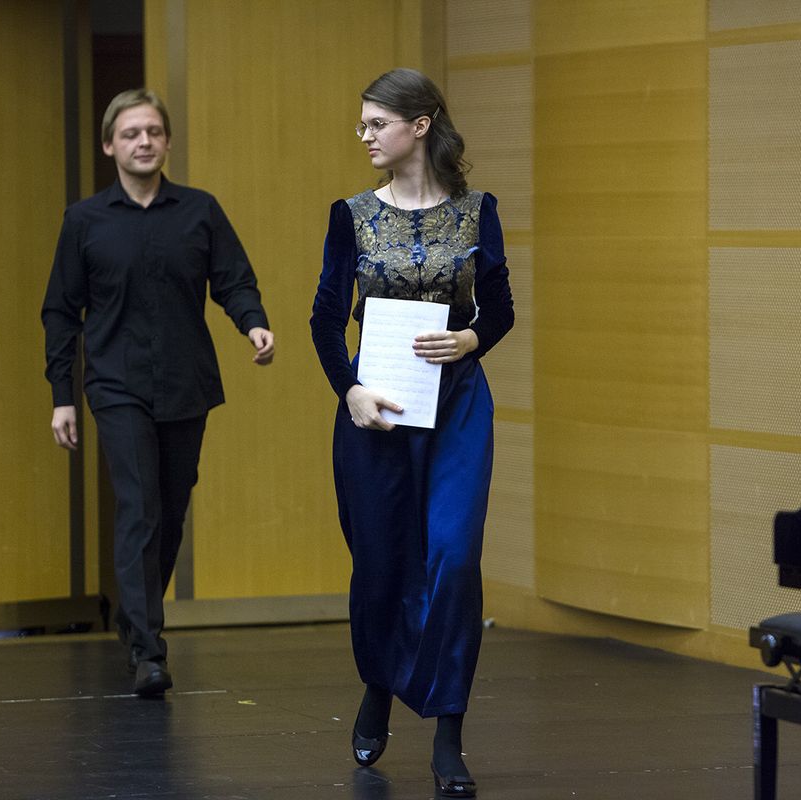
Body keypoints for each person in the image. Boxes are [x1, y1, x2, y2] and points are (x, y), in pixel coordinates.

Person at [310, 68, 513, 798]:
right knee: (382, 561)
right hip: (378, 407)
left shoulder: (478, 211)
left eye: (376, 123)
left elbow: (501, 308)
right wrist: (351, 390)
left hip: (456, 404)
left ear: (419, 125)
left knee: (453, 558)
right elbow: (325, 319)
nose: (364, 135)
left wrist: (472, 340)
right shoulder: (351, 215)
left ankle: (449, 728)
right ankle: (378, 684)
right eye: (362, 124)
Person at [42, 88, 274, 697]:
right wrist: (62, 395)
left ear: (167, 141)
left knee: (169, 514)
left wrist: (252, 322)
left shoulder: (199, 211)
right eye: (130, 134)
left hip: (185, 381)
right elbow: (61, 312)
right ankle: (148, 650)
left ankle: (133, 616)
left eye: (152, 132)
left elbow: (233, 279)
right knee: (139, 506)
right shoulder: (84, 221)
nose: (143, 142)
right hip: (115, 385)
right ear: (109, 146)